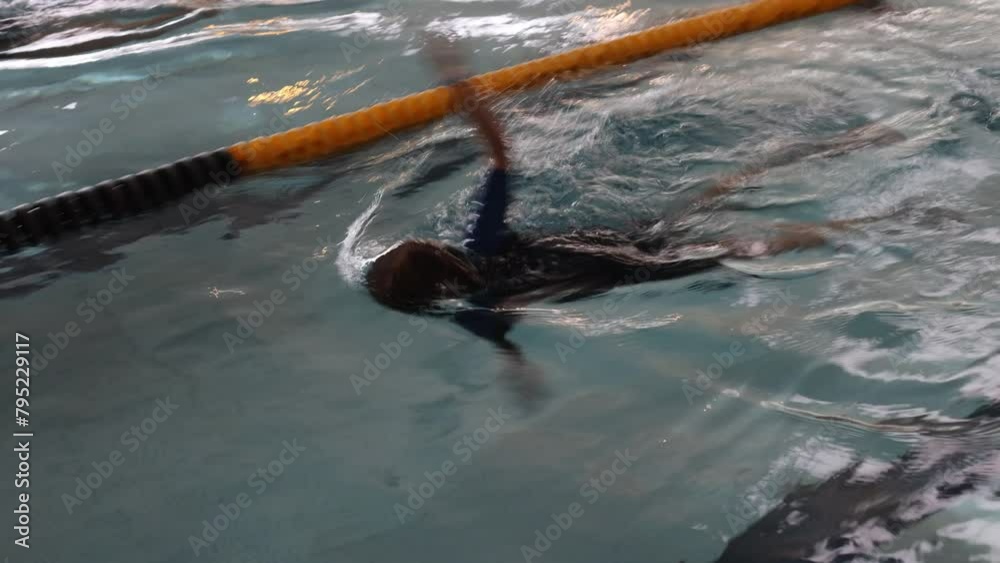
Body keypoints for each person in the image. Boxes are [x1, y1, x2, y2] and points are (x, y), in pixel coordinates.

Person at [364, 39, 905, 384]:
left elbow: (507, 344)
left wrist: (518, 370)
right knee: (719, 190)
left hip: (624, 270)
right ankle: (854, 141)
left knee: (744, 246)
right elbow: (501, 154)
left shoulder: (478, 312)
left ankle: (871, 225)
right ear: (442, 255)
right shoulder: (482, 243)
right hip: (610, 239)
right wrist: (465, 91)